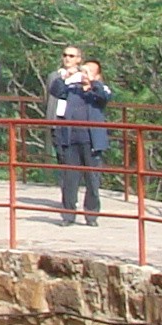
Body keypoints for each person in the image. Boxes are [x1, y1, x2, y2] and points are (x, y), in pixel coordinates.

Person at [52, 58, 114, 225]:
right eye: (84, 71)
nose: (85, 75)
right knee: (70, 180)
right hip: (71, 140)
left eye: (89, 71)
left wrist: (93, 82)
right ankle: (68, 215)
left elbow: (105, 97)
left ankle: (91, 215)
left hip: (92, 141)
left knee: (92, 181)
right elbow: (56, 90)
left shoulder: (100, 90)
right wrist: (66, 77)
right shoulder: (73, 89)